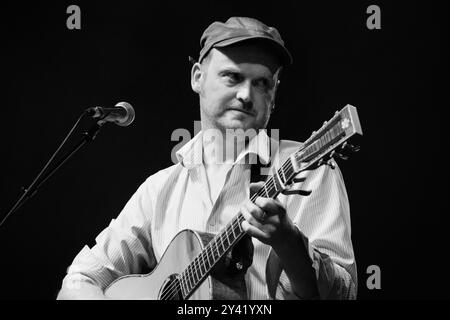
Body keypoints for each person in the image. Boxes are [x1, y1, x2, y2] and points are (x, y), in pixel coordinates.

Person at [57, 17, 357, 300]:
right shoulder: (160, 188)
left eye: (262, 83)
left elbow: (344, 294)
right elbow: (81, 278)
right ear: (197, 77)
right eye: (233, 76)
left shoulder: (309, 171)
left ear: (274, 92)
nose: (246, 94)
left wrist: (289, 244)